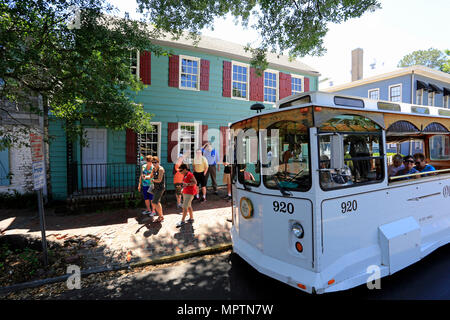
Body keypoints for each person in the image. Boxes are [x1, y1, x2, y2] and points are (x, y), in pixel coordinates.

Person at [150, 156, 165, 222]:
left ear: (158, 162)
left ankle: (161, 216)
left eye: (155, 162)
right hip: (155, 187)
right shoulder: (153, 169)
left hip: (160, 188)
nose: (154, 164)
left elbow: (159, 180)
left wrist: (152, 180)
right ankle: (161, 216)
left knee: (154, 202)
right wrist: (145, 177)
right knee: (157, 202)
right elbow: (150, 176)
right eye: (153, 162)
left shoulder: (161, 169)